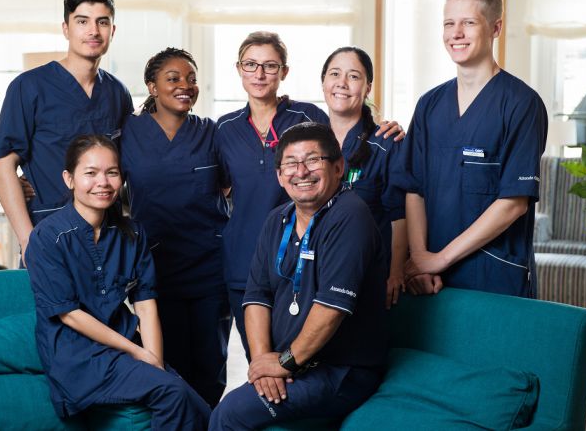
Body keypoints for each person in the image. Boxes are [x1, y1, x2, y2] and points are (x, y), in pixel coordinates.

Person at [215, 31, 400, 355]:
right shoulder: (223, 128)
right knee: (259, 357)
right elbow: (217, 187)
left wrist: (383, 126)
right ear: (239, 68)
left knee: (298, 354)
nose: (260, 73)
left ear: (284, 71)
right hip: (243, 262)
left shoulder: (308, 118)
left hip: (301, 263)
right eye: (251, 64)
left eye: (270, 65)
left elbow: (346, 130)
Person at [210, 122, 387, 430]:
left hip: (341, 370)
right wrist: (263, 362)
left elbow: (331, 309)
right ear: (279, 175)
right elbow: (257, 297)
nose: (301, 172)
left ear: (338, 167)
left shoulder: (350, 215)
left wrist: (284, 363)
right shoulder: (277, 219)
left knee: (230, 413)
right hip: (292, 362)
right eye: (291, 163)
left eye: (313, 160)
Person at [25, 134, 209, 430]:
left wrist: (155, 361)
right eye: (91, 173)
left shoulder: (132, 233)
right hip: (78, 357)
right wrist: (137, 352)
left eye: (112, 172)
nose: (103, 182)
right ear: (69, 179)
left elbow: (145, 305)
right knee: (172, 393)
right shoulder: (47, 237)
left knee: (203, 410)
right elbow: (69, 315)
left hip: (124, 348)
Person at [397, 0, 548, 297]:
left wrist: (440, 259)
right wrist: (421, 258)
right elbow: (414, 188)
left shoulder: (521, 104)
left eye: (468, 22)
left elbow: (513, 203)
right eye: (448, 23)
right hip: (430, 281)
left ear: (495, 28)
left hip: (493, 276)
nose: (456, 33)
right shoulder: (429, 105)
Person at [120, 48, 230, 407]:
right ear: (152, 87)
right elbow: (98, 173)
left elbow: (241, 177)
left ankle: (210, 422)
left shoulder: (211, 132)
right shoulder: (129, 133)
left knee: (210, 363)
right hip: (155, 267)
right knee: (169, 362)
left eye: (191, 79)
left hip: (209, 266)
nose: (185, 85)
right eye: (173, 78)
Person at [0, 0, 133, 264]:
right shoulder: (28, 87)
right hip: (48, 233)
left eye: (102, 22)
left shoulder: (118, 93)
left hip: (107, 235)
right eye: (82, 21)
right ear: (66, 29)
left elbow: (126, 163)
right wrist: (28, 239)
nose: (93, 31)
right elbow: (3, 164)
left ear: (112, 30)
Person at [320, 47, 408, 308]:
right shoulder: (310, 140)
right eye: (335, 74)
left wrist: (396, 272)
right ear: (323, 82)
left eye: (354, 76)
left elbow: (400, 215)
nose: (342, 83)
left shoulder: (386, 143)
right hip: (318, 271)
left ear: (368, 87)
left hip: (369, 276)